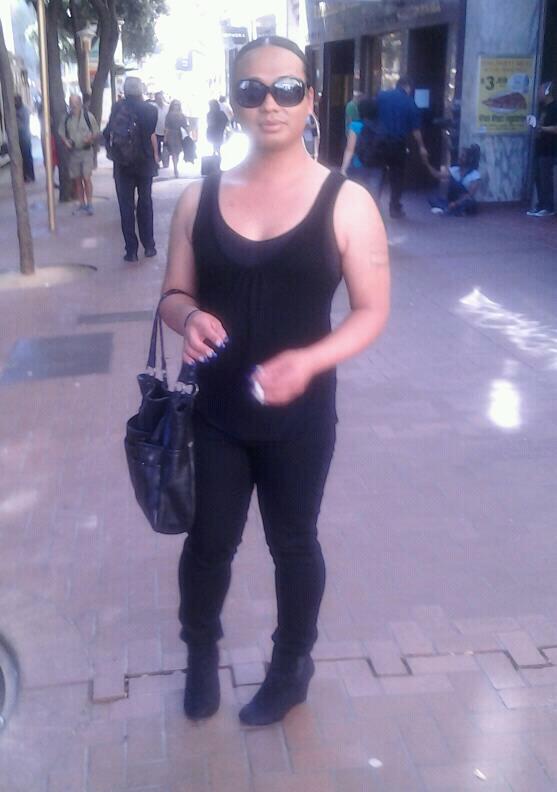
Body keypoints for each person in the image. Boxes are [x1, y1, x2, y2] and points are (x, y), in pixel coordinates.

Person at [160, 35, 390, 727]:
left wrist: (310, 361)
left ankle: (291, 668)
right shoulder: (198, 198)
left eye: (287, 88)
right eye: (251, 90)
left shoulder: (345, 202)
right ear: (233, 102)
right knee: (209, 544)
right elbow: (173, 295)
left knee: (293, 543)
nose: (270, 103)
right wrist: (188, 317)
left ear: (310, 99)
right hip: (216, 412)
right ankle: (200, 653)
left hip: (301, 417)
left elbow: (371, 310)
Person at [103, 76, 158, 262]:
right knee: (145, 203)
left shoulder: (118, 107)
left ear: (125, 91)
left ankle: (131, 251)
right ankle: (149, 246)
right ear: (140, 90)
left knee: (126, 207)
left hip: (123, 163)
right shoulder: (150, 110)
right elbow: (150, 132)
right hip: (145, 163)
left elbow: (108, 132)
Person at [377, 76, 429, 218]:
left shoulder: (382, 96)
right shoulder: (410, 103)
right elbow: (416, 130)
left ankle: (373, 203)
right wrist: (422, 147)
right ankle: (394, 207)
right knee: (397, 176)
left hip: (380, 142)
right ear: (408, 87)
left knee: (378, 173)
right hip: (398, 144)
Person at [59, 93, 99, 215]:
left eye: (76, 103)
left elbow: (96, 132)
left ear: (80, 104)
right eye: (71, 103)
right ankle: (82, 204)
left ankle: (90, 204)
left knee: (86, 178)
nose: (73, 106)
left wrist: (90, 138)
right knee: (77, 180)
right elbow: (61, 132)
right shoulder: (66, 118)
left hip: (86, 151)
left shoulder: (88, 116)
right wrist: (66, 142)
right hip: (74, 153)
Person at [341, 96, 384, 199]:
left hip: (358, 165)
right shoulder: (381, 126)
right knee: (373, 198)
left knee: (357, 197)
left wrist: (343, 168)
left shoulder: (355, 126)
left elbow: (350, 149)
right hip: (377, 165)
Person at [527, 81, 557, 217]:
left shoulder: (554, 108)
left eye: (540, 91)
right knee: (538, 178)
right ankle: (541, 205)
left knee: (546, 179)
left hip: (550, 149)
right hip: (540, 148)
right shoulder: (544, 108)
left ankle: (549, 207)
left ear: (547, 92)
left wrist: (541, 128)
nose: (538, 94)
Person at [426, 144, 481, 216]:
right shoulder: (454, 170)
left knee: (470, 204)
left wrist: (455, 203)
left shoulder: (475, 175)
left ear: (469, 159)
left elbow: (469, 195)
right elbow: (437, 175)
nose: (460, 158)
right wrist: (427, 163)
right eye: (461, 155)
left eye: (463, 156)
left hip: (462, 201)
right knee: (432, 198)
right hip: (451, 200)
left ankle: (449, 209)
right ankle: (453, 210)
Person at [164, 99, 190, 178]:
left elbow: (185, 126)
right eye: (175, 104)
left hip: (179, 135)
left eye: (178, 104)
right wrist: (165, 137)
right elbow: (167, 127)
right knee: (174, 152)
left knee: (178, 152)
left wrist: (188, 135)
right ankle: (175, 168)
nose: (176, 106)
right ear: (172, 105)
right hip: (171, 134)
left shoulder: (182, 115)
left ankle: (176, 165)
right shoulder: (169, 115)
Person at [14, 95, 35, 183]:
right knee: (22, 157)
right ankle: (25, 175)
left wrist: (17, 116)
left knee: (27, 156)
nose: (15, 103)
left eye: (16, 101)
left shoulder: (24, 110)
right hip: (19, 136)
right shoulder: (16, 110)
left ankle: (30, 175)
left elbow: (25, 122)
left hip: (25, 135)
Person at [153, 91, 169, 166]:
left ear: (163, 98)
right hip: (156, 131)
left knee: (166, 148)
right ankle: (158, 162)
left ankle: (166, 162)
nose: (159, 100)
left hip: (166, 131)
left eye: (160, 98)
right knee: (157, 147)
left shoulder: (168, 107)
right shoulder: (153, 108)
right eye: (157, 98)